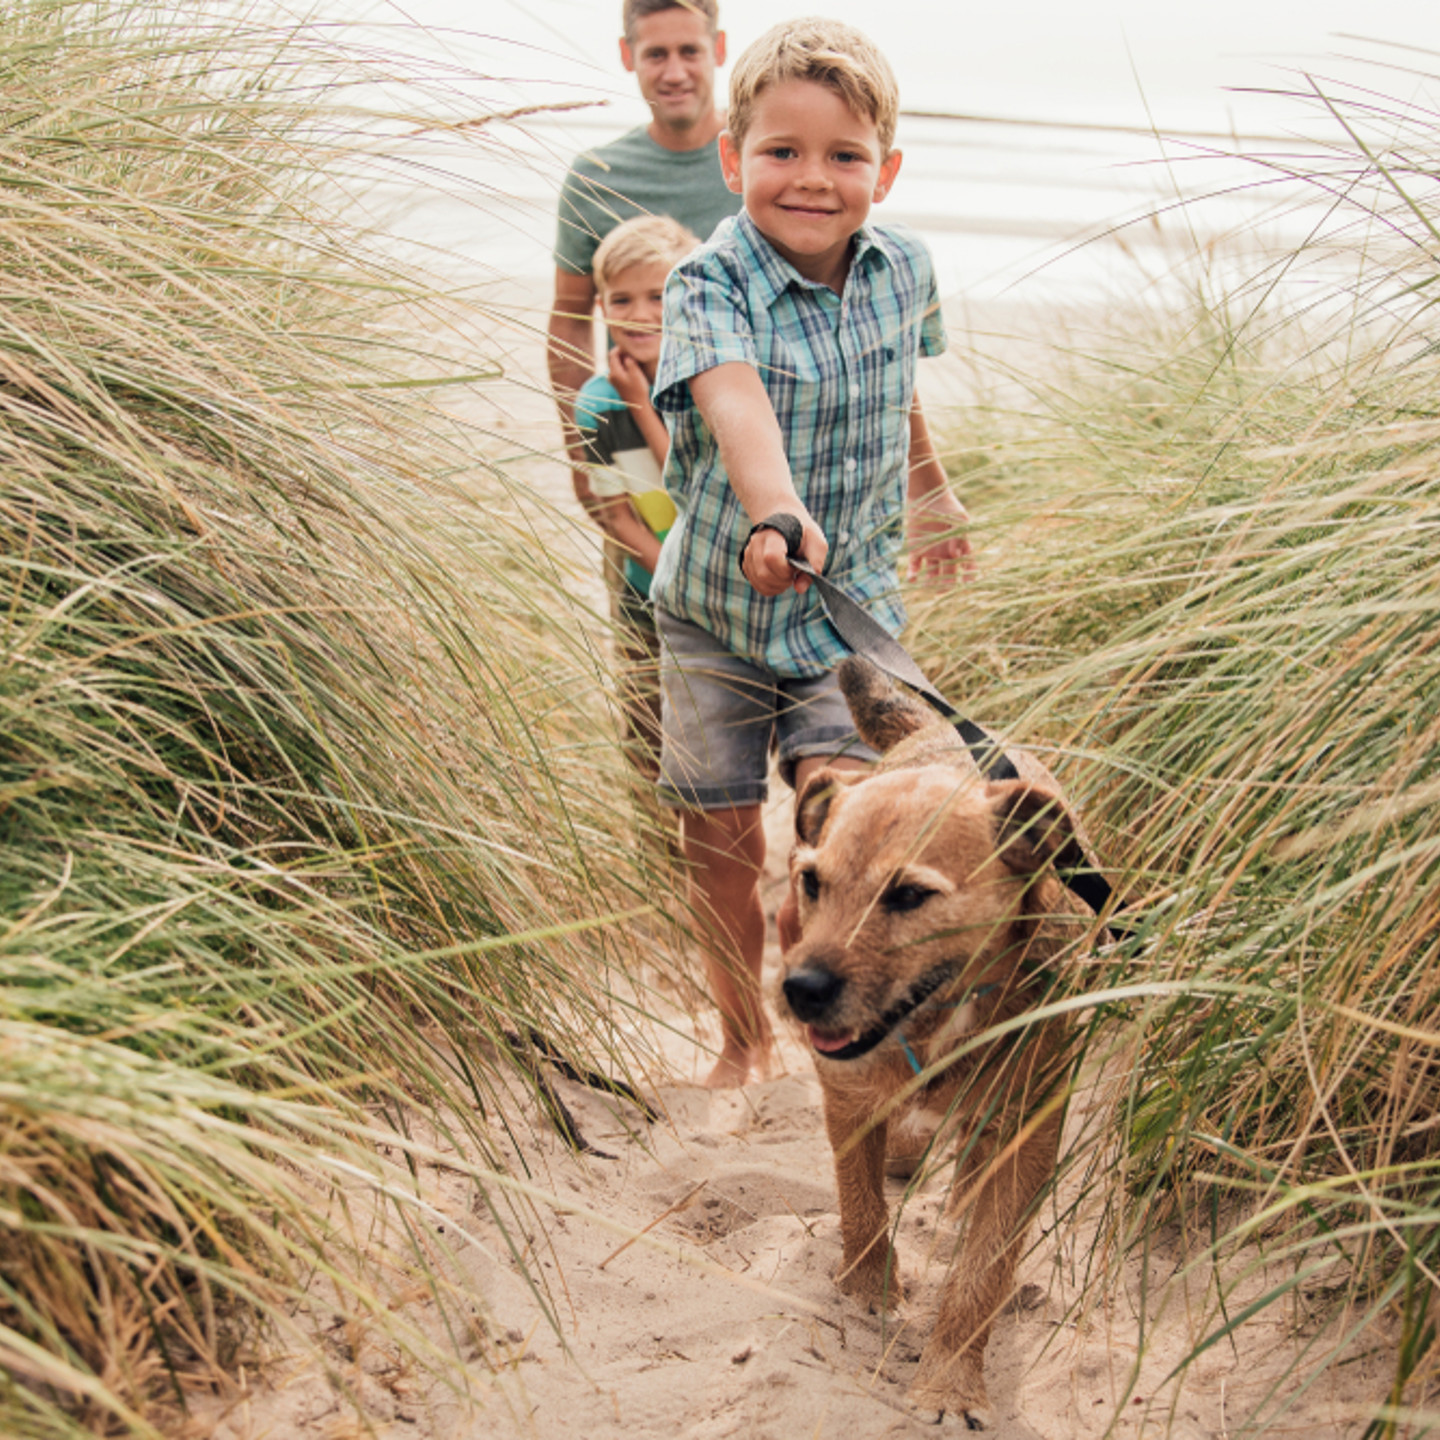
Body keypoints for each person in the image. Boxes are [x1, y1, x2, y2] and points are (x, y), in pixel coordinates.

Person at [648, 17, 974, 1087]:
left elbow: (896, 390)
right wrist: (773, 513)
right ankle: (741, 1038)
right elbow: (735, 402)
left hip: (850, 608)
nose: (812, 180)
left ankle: (845, 998)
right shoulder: (708, 283)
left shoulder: (905, 268)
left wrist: (929, 487)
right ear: (735, 158)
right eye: (781, 153)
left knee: (849, 814)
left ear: (884, 169)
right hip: (717, 609)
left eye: (843, 157)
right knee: (721, 830)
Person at [547, 0, 741, 529]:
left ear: (718, 50)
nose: (674, 72)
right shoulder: (596, 175)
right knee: (642, 593)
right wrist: (580, 450)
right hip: (629, 434)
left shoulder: (758, 163)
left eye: (689, 51)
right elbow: (569, 314)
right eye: (656, 54)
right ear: (628, 55)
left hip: (742, 441)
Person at [574, 215, 699, 781]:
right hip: (646, 592)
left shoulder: (710, 383)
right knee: (647, 728)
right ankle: (657, 859)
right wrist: (664, 572)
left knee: (711, 734)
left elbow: (692, 481)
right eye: (621, 299)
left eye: (659, 295)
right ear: (601, 307)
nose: (641, 314)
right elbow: (615, 514)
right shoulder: (598, 403)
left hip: (720, 592)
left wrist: (642, 402)